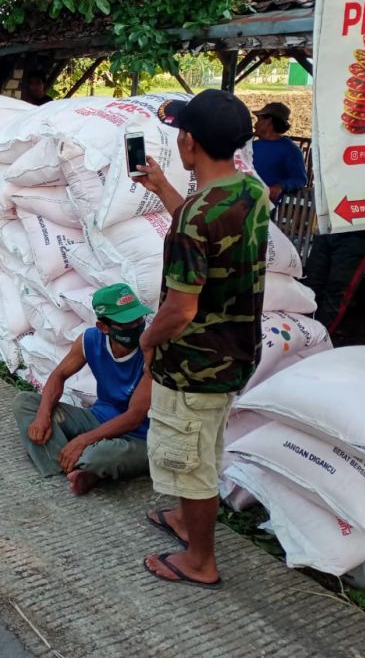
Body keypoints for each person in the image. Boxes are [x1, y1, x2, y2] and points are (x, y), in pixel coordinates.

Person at [134, 89, 270, 589]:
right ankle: (187, 520)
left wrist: (148, 341)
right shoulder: (248, 192)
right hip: (235, 352)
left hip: (195, 363)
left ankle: (199, 560)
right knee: (205, 449)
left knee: (191, 463)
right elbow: (211, 232)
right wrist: (165, 187)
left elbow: (181, 307)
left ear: (188, 141)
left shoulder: (194, 219)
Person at [12, 283, 153, 496]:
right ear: (104, 327)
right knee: (25, 403)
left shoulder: (152, 352)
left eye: (139, 319)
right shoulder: (90, 340)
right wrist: (43, 415)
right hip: (97, 419)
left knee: (104, 455)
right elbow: (58, 375)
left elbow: (134, 416)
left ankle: (82, 461)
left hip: (138, 437)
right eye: (126, 323)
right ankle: (72, 466)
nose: (136, 326)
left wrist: (83, 440)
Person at [302, 229, 365, 331]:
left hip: (363, 231)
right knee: (311, 287)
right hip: (328, 225)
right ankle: (301, 335)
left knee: (336, 295)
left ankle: (320, 341)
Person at [251, 102, 307, 202]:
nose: (255, 125)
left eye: (259, 120)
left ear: (269, 121)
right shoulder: (252, 146)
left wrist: (281, 186)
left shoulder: (290, 150)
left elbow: (301, 179)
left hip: (262, 204)